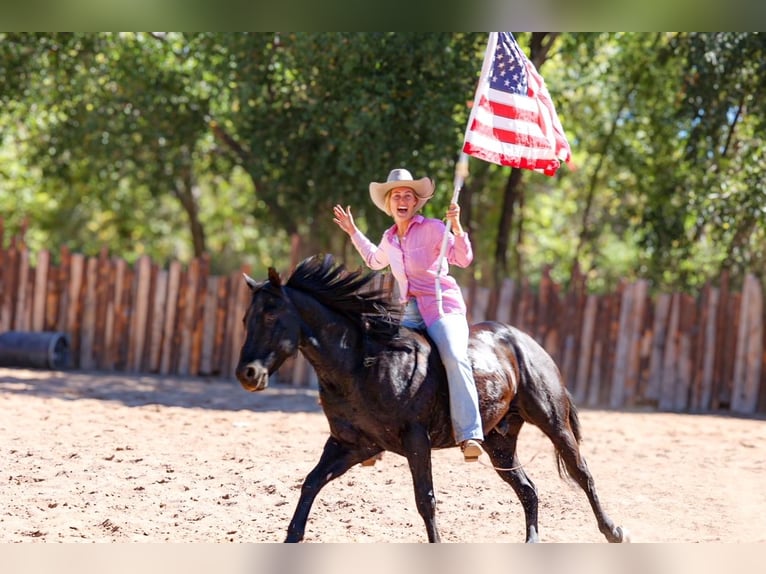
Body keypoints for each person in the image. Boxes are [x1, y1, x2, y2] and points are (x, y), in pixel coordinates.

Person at [332, 168, 484, 462]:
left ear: (416, 203)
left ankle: (469, 434)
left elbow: (463, 259)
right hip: (409, 310)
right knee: (376, 359)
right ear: (389, 204)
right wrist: (353, 232)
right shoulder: (389, 238)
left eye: (408, 195)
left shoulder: (433, 229)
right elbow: (375, 261)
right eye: (396, 196)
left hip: (442, 305)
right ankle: (370, 439)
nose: (402, 200)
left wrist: (456, 226)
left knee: (454, 355)